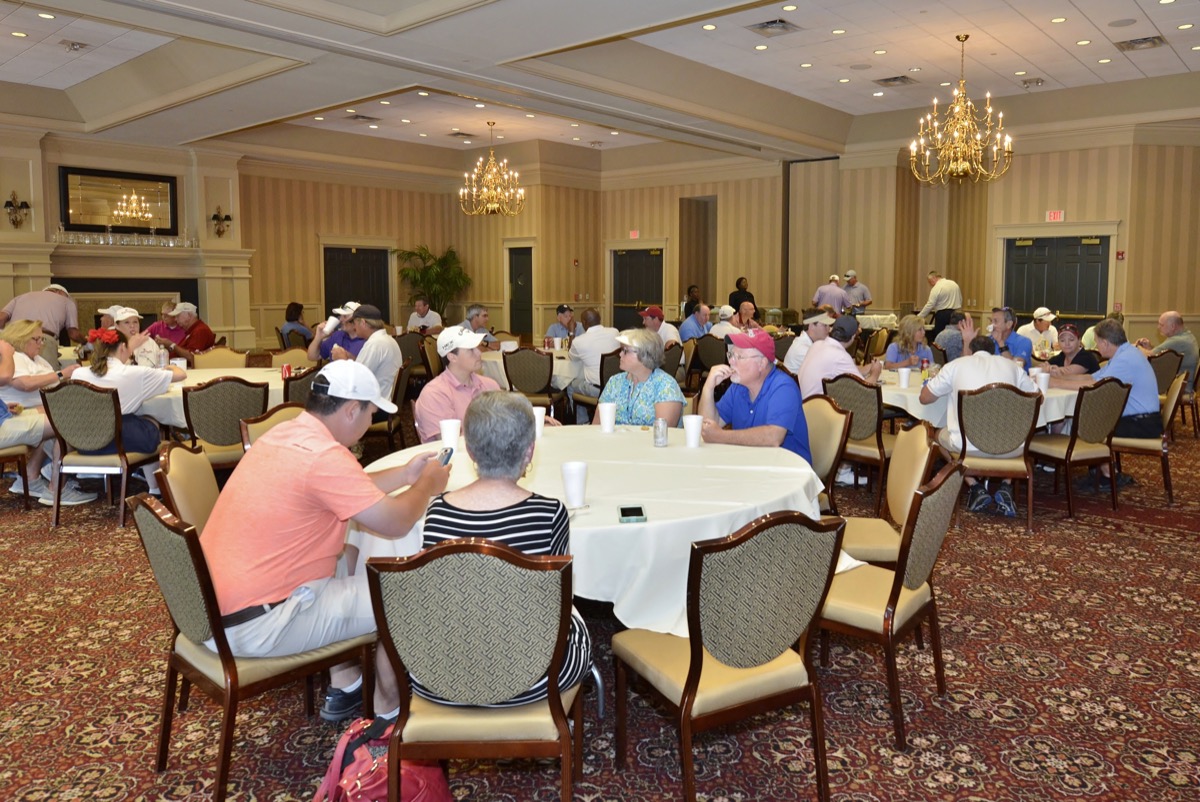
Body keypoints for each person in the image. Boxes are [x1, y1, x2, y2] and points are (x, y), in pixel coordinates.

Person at [200, 360, 450, 723]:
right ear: (351, 410)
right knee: (403, 595)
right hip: (259, 625)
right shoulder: (325, 457)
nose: (370, 423)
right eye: (370, 414)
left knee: (346, 558)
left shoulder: (286, 434)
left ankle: (347, 685)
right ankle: (389, 716)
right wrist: (427, 485)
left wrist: (405, 475)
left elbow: (346, 488)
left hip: (211, 612)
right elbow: (396, 522)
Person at [419, 392, 592, 707]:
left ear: (470, 450)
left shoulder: (438, 511)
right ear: (530, 451)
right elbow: (553, 601)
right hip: (532, 680)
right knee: (577, 620)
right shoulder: (550, 513)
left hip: (445, 679)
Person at [919, 319, 1038, 517]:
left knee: (934, 434)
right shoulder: (1012, 367)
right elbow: (1037, 397)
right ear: (993, 350)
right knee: (1013, 432)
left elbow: (924, 398)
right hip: (1011, 447)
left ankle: (974, 486)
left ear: (972, 350)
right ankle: (1006, 486)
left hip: (967, 446)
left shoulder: (955, 366)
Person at [72, 328, 187, 499]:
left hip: (85, 442)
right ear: (122, 348)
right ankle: (155, 488)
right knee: (150, 420)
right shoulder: (134, 373)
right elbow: (180, 375)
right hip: (118, 441)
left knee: (136, 420)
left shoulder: (78, 373)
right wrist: (169, 366)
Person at [1051, 318, 1161, 490]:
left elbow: (1094, 385)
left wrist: (1054, 384)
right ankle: (1101, 473)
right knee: (1090, 421)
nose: (1096, 346)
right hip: (1142, 418)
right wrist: (1060, 377)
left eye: (1097, 342)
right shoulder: (1125, 353)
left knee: (1088, 426)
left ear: (1105, 342)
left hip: (1142, 423)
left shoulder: (1125, 360)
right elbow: (1092, 377)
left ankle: (1108, 476)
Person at [698, 329, 811, 462]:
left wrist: (721, 436)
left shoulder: (783, 387)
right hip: (753, 463)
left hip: (788, 468)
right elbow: (709, 426)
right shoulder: (738, 387)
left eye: (739, 357)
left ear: (762, 363)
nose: (731, 362)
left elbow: (773, 437)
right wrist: (708, 388)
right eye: (731, 355)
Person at [0, 339, 66, 503]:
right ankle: (57, 489)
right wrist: (6, 353)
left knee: (55, 414)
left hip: (4, 419)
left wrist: (3, 407)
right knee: (65, 421)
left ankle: (31, 476)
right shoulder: (8, 355)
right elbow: (6, 376)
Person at [414, 326, 502, 442]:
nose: (479, 352)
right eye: (471, 349)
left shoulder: (490, 385)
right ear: (452, 357)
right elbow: (450, 444)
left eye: (477, 347)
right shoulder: (434, 394)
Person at [595, 329, 685, 427]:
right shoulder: (614, 382)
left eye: (625, 351)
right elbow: (596, 425)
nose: (620, 354)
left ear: (645, 355)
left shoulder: (666, 386)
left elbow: (662, 432)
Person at [797, 316, 883, 400]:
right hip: (816, 406)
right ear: (853, 337)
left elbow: (843, 371)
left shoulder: (817, 344)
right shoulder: (840, 356)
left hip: (802, 401)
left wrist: (867, 368)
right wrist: (875, 373)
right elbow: (864, 390)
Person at [0, 284, 83, 369]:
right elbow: (73, 334)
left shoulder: (20, 297)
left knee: (14, 372)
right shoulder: (67, 301)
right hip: (41, 340)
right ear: (60, 292)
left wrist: (4, 338)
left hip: (12, 340)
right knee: (49, 374)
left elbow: (1, 319)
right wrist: (86, 342)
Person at [0, 320, 77, 409]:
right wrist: (61, 374)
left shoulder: (37, 359)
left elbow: (52, 380)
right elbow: (26, 384)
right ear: (21, 339)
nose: (42, 343)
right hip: (25, 410)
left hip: (47, 406)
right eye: (37, 339)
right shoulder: (14, 357)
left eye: (42, 339)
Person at [567, 308, 621, 423]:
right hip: (617, 386)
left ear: (584, 323)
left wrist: (571, 332)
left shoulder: (579, 341)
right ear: (600, 319)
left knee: (570, 385)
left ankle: (583, 423)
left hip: (597, 389)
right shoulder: (615, 332)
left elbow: (571, 357)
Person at [1136, 311, 1197, 386]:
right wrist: (1149, 348)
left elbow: (1150, 357)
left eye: (1161, 325)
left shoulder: (1178, 341)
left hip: (1180, 388)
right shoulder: (1187, 335)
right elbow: (1160, 355)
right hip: (1181, 384)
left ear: (1172, 326)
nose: (1158, 327)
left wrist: (1137, 346)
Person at [160, 302, 216, 367]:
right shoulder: (192, 330)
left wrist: (172, 345)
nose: (175, 319)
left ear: (189, 315)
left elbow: (192, 357)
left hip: (189, 370)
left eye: (177, 316)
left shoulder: (200, 331)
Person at [917, 271, 963, 340]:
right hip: (955, 314)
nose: (931, 284)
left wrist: (919, 316)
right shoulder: (954, 284)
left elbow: (930, 304)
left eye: (930, 282)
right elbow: (960, 299)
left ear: (934, 278)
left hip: (942, 315)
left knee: (940, 337)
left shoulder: (937, 287)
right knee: (954, 336)